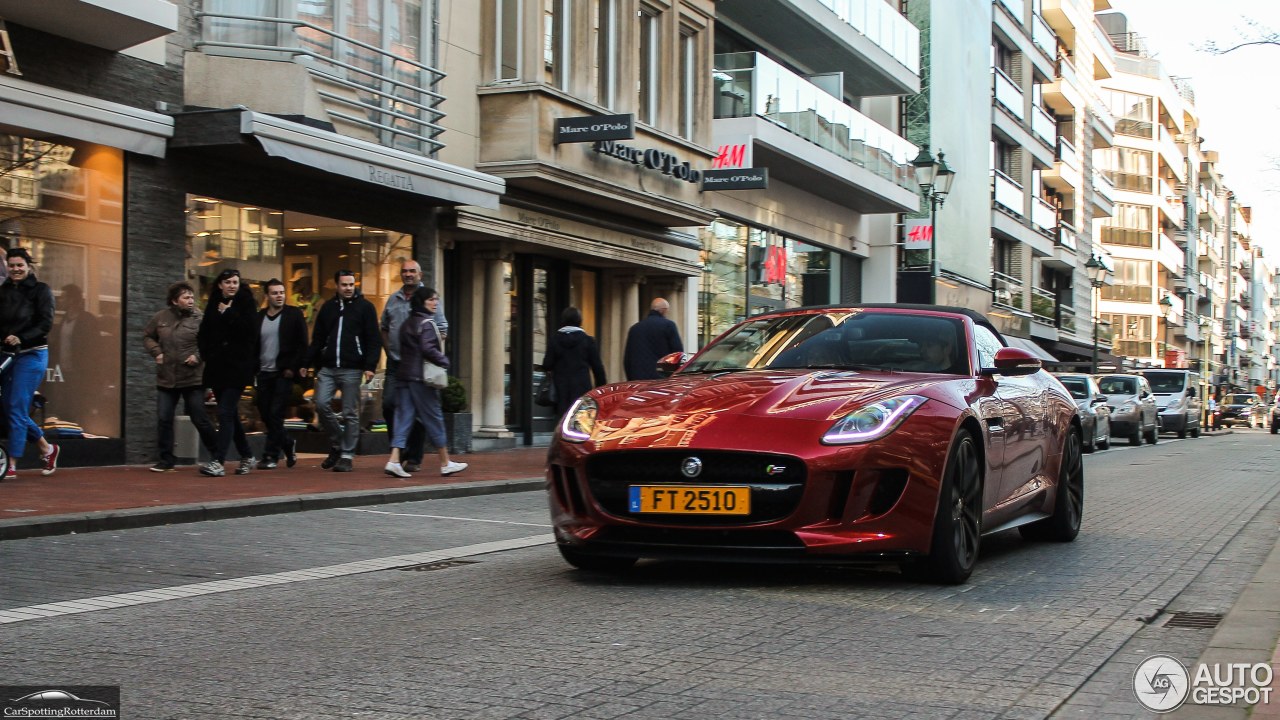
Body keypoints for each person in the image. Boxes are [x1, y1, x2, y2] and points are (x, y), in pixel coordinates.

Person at [384, 286, 467, 478]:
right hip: (421, 379)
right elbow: (428, 349)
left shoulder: (407, 324)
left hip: (404, 376)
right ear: (422, 302)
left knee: (403, 418)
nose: (435, 303)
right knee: (434, 417)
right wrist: (444, 361)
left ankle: (394, 459)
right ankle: (446, 463)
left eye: (436, 299)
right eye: (431, 299)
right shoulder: (427, 323)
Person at [306, 269, 381, 472]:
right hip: (328, 367)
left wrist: (369, 366)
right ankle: (339, 442)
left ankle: (347, 455)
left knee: (349, 412)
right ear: (337, 286)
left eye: (351, 284)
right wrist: (307, 362)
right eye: (344, 285)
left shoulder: (365, 308)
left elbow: (374, 339)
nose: (348, 288)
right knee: (320, 404)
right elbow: (318, 338)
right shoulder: (328, 308)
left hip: (352, 368)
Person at [143, 281, 218, 472]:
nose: (191, 300)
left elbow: (210, 341)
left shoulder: (200, 318)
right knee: (164, 418)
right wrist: (156, 352)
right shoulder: (161, 317)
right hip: (167, 377)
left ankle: (217, 453)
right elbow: (147, 336)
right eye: (186, 297)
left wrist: (198, 356)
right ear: (175, 301)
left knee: (199, 417)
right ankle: (166, 460)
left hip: (192, 378)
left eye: (192, 297)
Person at [0, 248, 58, 480]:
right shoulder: (2, 292)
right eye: (11, 265)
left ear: (28, 266)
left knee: (16, 406)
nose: (15, 269)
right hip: (6, 354)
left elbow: (46, 323)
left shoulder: (40, 290)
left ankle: (11, 462)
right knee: (9, 407)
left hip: (32, 354)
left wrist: (22, 338)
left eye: (19, 265)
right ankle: (46, 448)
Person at [197, 269, 260, 477]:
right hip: (217, 367)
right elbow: (205, 331)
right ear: (220, 285)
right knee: (230, 413)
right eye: (228, 282)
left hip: (238, 367)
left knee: (224, 412)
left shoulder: (246, 302)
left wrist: (229, 313)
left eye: (235, 282)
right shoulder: (214, 303)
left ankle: (218, 460)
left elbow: (250, 331)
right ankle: (247, 455)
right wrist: (206, 353)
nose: (232, 285)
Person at [380, 260, 429, 473]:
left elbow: (442, 328)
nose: (408, 274)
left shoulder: (428, 297)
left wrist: (432, 355)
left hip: (419, 364)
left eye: (412, 271)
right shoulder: (393, 298)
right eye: (404, 271)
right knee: (389, 405)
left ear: (420, 274)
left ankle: (414, 456)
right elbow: (383, 327)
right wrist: (389, 350)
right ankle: (399, 451)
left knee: (417, 410)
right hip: (396, 362)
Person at [255, 278, 308, 470]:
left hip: (283, 373)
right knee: (265, 413)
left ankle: (270, 456)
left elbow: (302, 344)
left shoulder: (293, 315)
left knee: (276, 413)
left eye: (282, 292)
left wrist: (295, 367)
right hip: (263, 372)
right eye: (275, 293)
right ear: (267, 296)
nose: (279, 296)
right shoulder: (259, 317)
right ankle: (287, 442)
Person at [541, 307, 606, 417]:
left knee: (563, 420)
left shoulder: (554, 340)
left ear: (563, 321)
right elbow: (597, 368)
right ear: (580, 321)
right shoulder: (588, 341)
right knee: (580, 420)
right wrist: (601, 388)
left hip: (560, 388)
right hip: (582, 387)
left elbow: (547, 364)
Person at [623, 297, 683, 381]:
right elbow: (677, 354)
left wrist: (630, 379)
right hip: (661, 380)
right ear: (663, 310)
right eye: (667, 310)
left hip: (637, 379)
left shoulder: (634, 328)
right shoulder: (668, 325)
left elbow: (627, 359)